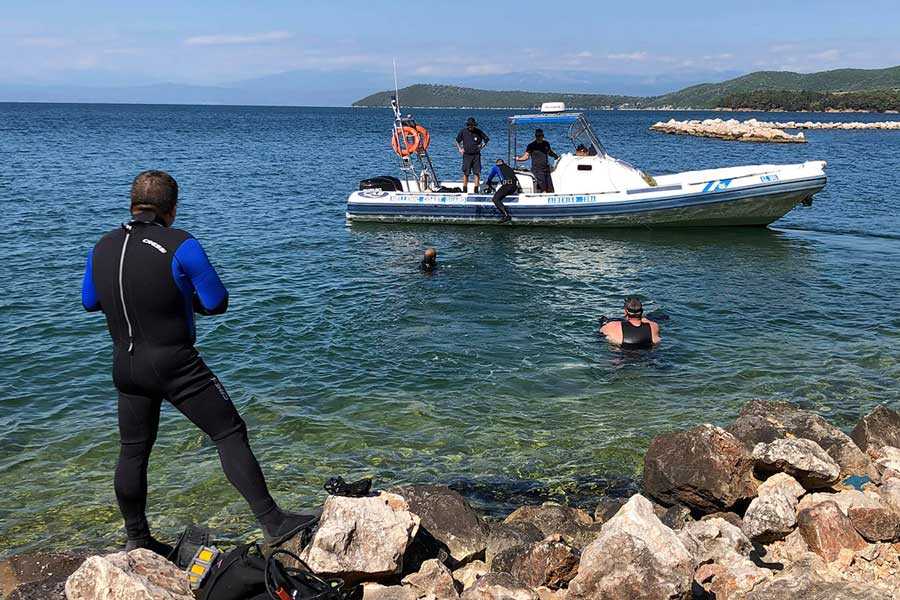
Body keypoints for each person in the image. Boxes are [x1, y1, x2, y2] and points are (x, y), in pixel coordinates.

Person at [81, 170, 315, 555]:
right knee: (229, 432)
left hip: (125, 365)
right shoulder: (181, 244)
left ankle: (137, 539)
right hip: (174, 363)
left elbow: (90, 301)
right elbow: (216, 301)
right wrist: (182, 297)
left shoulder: (102, 245)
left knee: (133, 450)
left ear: (132, 204)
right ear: (172, 209)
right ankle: (273, 521)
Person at [455, 117, 489, 193]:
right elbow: (457, 140)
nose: (470, 126)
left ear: (474, 125)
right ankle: (464, 190)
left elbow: (486, 139)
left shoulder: (478, 131)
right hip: (466, 155)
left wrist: (482, 146)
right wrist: (460, 149)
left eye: (472, 125)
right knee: (466, 173)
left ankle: (476, 190)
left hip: (476, 155)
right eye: (469, 125)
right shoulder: (463, 131)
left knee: (476, 172)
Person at [484, 158, 519, 223]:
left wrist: (488, 184)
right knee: (502, 194)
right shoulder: (508, 167)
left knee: (495, 199)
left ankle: (506, 215)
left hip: (507, 186)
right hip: (514, 187)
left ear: (497, 163)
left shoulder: (496, 167)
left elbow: (490, 177)